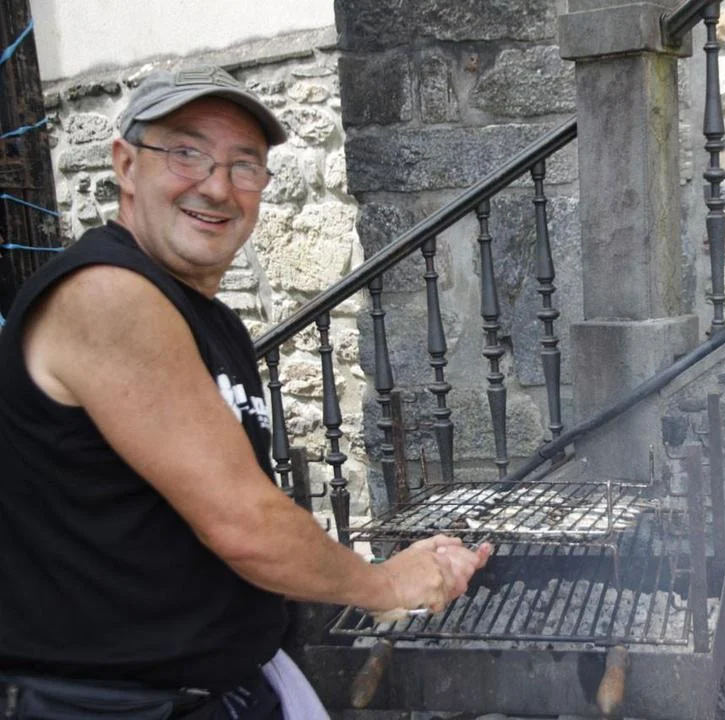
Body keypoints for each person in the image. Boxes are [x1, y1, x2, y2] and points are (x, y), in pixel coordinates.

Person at [0, 65, 491, 718]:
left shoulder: (211, 320)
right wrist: (382, 584)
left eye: (244, 165)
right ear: (126, 164)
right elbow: (245, 527)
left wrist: (390, 571)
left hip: (221, 687)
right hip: (107, 705)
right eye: (186, 152)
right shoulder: (106, 295)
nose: (217, 186)